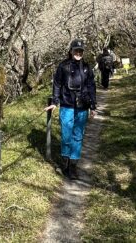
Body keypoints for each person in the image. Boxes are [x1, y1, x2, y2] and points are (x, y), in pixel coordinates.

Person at [44, 39, 97, 180]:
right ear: (70, 51)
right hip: (67, 104)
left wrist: (93, 106)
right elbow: (57, 84)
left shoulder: (87, 67)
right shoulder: (63, 66)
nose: (78, 53)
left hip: (82, 106)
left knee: (78, 135)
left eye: (81, 51)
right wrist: (55, 101)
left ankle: (73, 165)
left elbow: (91, 86)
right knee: (66, 134)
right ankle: (65, 164)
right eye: (76, 50)